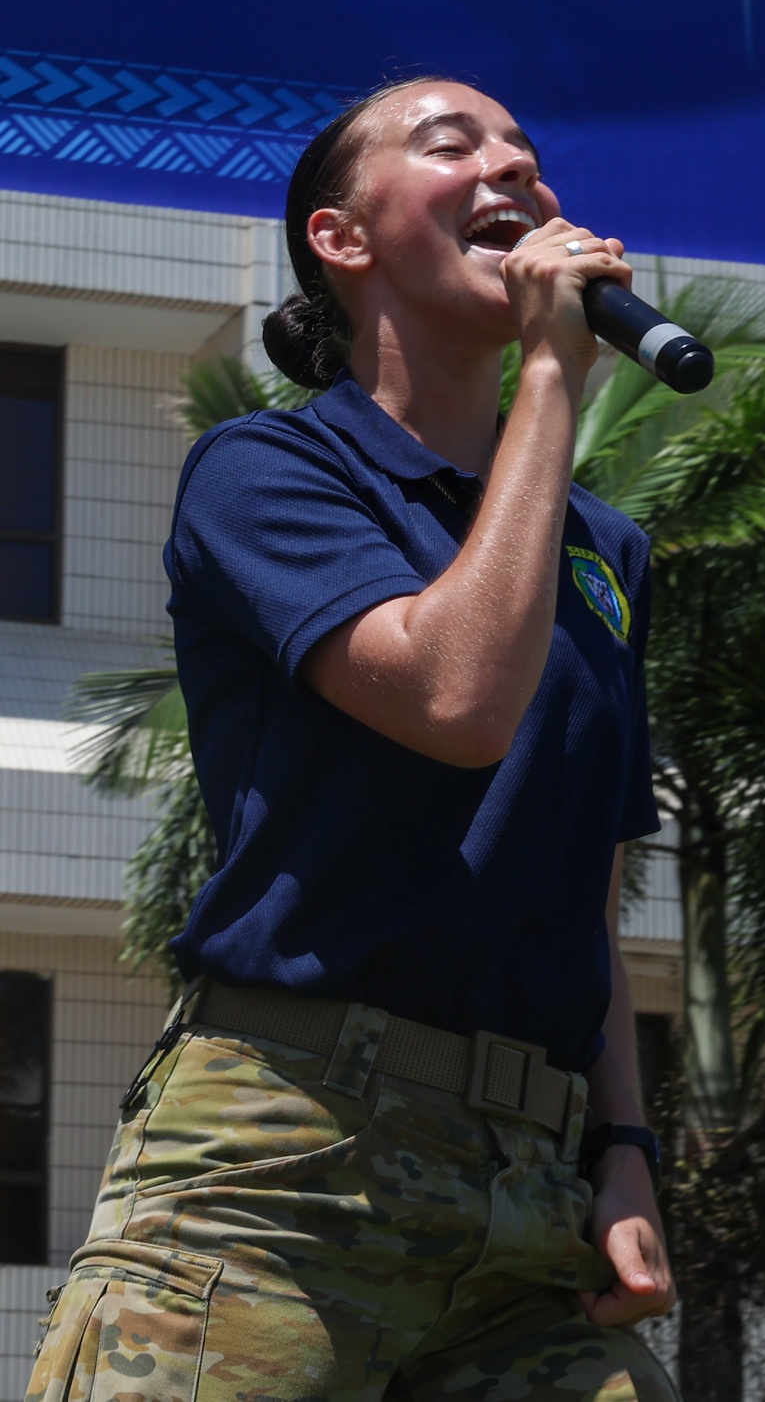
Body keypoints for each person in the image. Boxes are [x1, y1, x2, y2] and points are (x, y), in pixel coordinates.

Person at [27, 76, 679, 1402]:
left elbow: (583, 887)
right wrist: (555, 376)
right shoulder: (267, 473)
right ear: (342, 239)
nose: (514, 173)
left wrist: (621, 1143)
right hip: (282, 1163)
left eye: (529, 156)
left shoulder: (606, 550)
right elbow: (453, 702)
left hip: (528, 1188)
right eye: (454, 144)